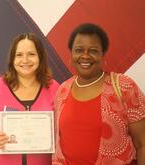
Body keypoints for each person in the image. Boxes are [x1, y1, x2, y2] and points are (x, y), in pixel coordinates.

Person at [52, 23, 145, 165]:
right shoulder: (62, 90)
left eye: (93, 51)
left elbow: (142, 143)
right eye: (79, 50)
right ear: (71, 54)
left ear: (103, 54)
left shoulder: (124, 86)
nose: (85, 56)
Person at [0, 33, 59, 165]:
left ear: (40, 57)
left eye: (31, 54)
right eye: (19, 55)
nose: (25, 60)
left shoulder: (55, 88)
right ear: (12, 59)